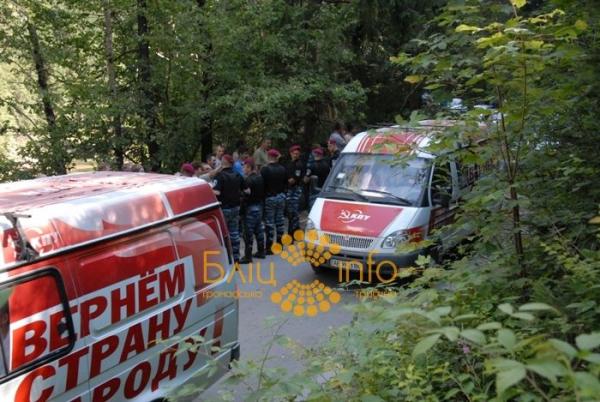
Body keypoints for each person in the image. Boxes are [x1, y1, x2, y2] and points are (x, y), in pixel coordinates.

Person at [213, 154, 245, 263]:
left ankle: (227, 260)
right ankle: (236, 258)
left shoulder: (220, 176)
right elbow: (247, 190)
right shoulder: (238, 175)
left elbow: (217, 192)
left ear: (223, 162)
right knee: (234, 233)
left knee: (224, 235)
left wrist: (208, 189)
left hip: (224, 208)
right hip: (235, 208)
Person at [239, 157, 265, 264]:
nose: (243, 169)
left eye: (244, 167)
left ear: (249, 167)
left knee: (248, 233)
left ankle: (248, 256)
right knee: (259, 230)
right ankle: (261, 251)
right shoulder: (260, 178)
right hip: (259, 206)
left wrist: (241, 206)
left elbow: (246, 195)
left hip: (250, 208)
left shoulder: (248, 180)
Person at [260, 149, 287, 254]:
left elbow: (262, 185)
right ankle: (280, 245)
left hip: (270, 198)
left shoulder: (265, 170)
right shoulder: (282, 169)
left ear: (269, 157)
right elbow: (285, 183)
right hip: (281, 196)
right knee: (280, 222)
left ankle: (269, 247)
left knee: (270, 222)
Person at [285, 145, 305, 235]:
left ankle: (293, 231)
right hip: (289, 189)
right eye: (294, 153)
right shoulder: (289, 163)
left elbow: (294, 179)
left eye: (297, 154)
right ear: (291, 153)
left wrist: (288, 180)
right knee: (291, 211)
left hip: (295, 189)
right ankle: (294, 230)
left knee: (294, 211)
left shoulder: (299, 164)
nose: (296, 155)